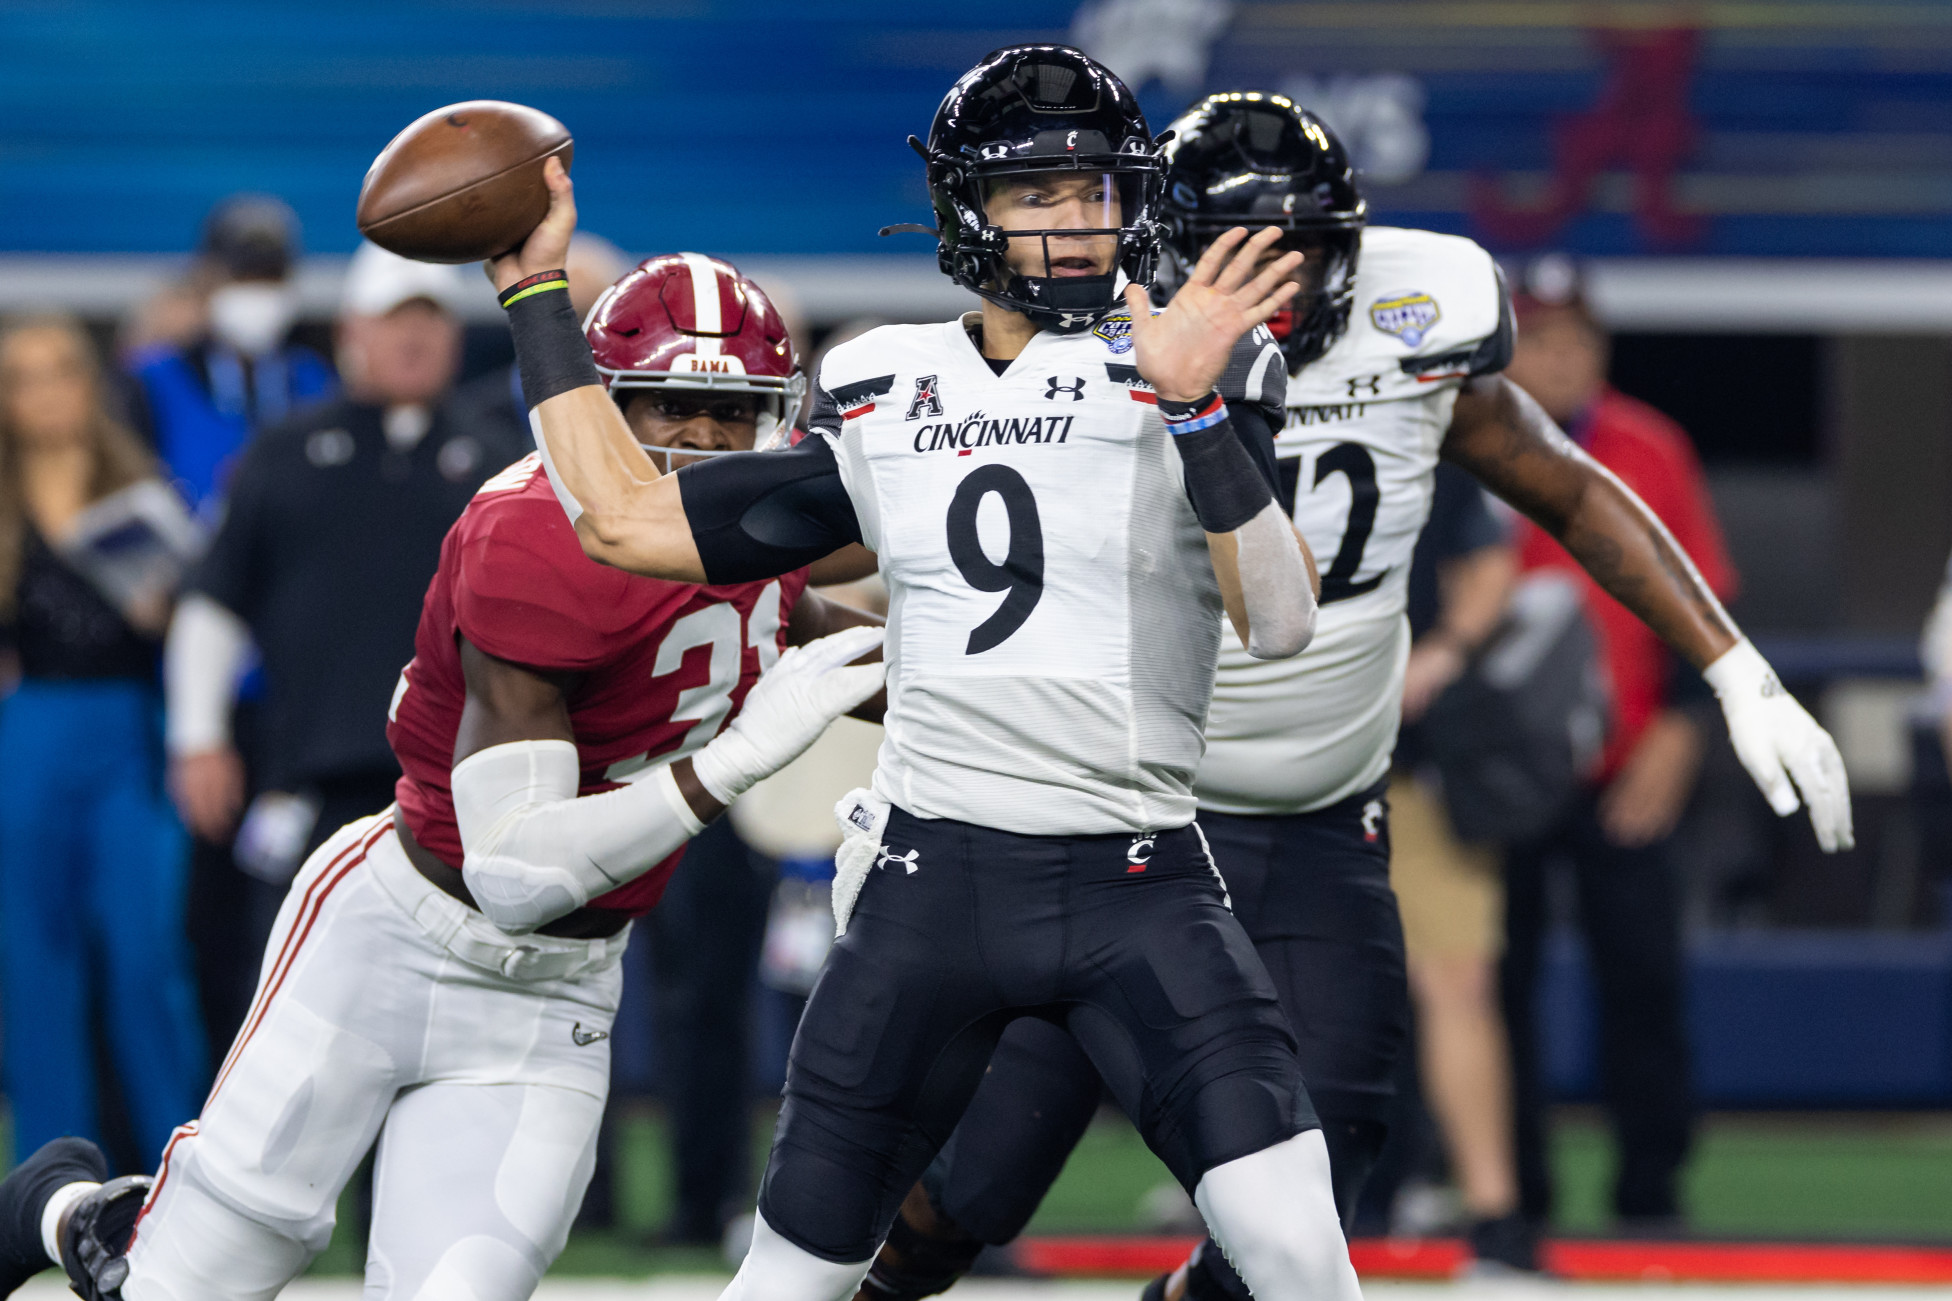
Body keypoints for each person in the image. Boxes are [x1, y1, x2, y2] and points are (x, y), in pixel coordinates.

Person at [844, 91, 1856, 1301]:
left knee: (1306, 1215)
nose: (1275, 277)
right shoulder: (1085, 353)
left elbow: (1571, 490)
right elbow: (918, 538)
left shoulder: (1418, 320)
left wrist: (1732, 668)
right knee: (972, 1182)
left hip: (1323, 826)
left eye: (1303, 247)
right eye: (1238, 246)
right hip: (1121, 826)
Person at [499, 45, 1349, 1301]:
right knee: (787, 1279)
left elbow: (1276, 623)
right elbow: (624, 524)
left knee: (1295, 1256)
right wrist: (532, 297)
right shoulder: (882, 380)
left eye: (1094, 189)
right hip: (929, 882)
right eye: (1036, 193)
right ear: (969, 210)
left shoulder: (1193, 357)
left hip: (1139, 876)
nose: (1074, 221)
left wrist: (1192, 408)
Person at [0, 254, 889, 1301]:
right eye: (668, 405)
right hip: (396, 934)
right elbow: (517, 869)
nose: (699, 440)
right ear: (600, 408)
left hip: (554, 996)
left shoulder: (757, 537)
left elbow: (831, 640)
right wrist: (730, 762)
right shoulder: (532, 535)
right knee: (192, 1282)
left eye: (729, 413)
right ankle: (66, 1209)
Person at [163, 243, 531, 1052]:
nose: (414, 339)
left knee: (464, 1020)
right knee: (296, 1021)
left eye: (429, 320)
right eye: (395, 320)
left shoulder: (498, 458)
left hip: (464, 791)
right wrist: (198, 737)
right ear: (350, 331)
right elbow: (214, 602)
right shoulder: (284, 453)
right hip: (311, 781)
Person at [1496, 257, 1740, 1232]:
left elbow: (1700, 602)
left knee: (1641, 977)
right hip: (1499, 769)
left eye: (1574, 339)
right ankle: (1510, 1196)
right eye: (1538, 338)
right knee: (1485, 983)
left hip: (1623, 762)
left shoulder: (1648, 446)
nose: (1558, 358)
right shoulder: (1461, 439)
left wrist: (1679, 736)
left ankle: (1650, 1193)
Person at [0, 317, 207, 1167]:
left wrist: (167, 607)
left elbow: (202, 634)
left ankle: (183, 1165)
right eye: (22, 377)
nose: (45, 392)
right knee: (32, 962)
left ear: (89, 383)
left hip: (130, 732)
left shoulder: (142, 493)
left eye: (59, 371)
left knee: (143, 955)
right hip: (27, 735)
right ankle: (51, 1179)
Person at [1386, 464, 1525, 1265]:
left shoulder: (1416, 429)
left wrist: (1445, 650)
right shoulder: (1236, 403)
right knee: (1253, 986)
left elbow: (1490, 566)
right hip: (1266, 750)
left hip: (1414, 763)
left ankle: (1493, 1215)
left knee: (1458, 979)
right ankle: (1237, 1205)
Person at [126, 195, 335, 513]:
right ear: (205, 277)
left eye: (270, 277)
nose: (256, 292)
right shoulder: (150, 381)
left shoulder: (316, 380)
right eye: (242, 276)